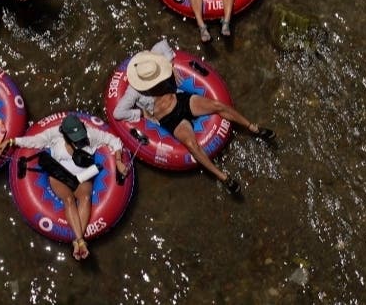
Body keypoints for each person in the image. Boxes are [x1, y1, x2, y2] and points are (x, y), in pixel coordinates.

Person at [111, 40, 275, 196]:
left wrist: (171, 65)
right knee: (191, 144)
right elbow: (118, 113)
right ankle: (223, 177)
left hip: (180, 100)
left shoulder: (155, 63)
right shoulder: (133, 92)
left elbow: (162, 44)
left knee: (218, 106)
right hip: (170, 119)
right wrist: (141, 114)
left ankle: (253, 128)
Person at [0, 113, 128, 260]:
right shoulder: (54, 134)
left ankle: (79, 242)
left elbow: (114, 141)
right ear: (65, 135)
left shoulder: (91, 134)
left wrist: (118, 161)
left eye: (81, 137)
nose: (80, 141)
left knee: (85, 197)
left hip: (83, 176)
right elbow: (33, 141)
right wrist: (11, 141)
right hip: (59, 175)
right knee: (69, 200)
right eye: (76, 139)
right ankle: (81, 241)